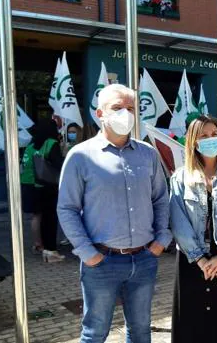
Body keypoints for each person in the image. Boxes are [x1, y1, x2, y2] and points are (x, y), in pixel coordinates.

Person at [58, 84, 171, 343]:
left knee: (141, 330)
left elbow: (161, 200)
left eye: (131, 108)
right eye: (117, 108)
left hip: (143, 259)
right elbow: (67, 208)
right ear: (100, 114)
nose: (125, 114)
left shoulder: (148, 153)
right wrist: (88, 253)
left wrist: (161, 240)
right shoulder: (80, 156)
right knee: (95, 333)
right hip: (102, 262)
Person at [169, 115, 217, 343]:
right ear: (193, 141)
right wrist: (200, 260)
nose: (210, 139)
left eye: (214, 135)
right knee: (191, 324)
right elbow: (178, 221)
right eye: (203, 136)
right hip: (191, 260)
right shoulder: (180, 178)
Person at [33, 119, 65, 263]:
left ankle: (46, 248)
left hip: (40, 185)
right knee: (51, 219)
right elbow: (59, 163)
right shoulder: (52, 143)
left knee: (45, 219)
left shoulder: (38, 144)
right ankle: (52, 251)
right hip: (52, 186)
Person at [21, 139, 42, 254]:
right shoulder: (38, 148)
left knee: (36, 215)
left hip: (27, 183)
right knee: (38, 215)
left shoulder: (29, 148)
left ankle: (37, 242)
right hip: (34, 184)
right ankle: (38, 243)